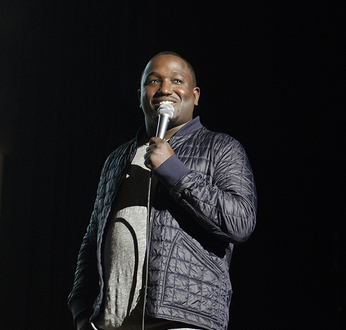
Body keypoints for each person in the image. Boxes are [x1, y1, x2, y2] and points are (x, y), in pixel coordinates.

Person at [68, 51, 257, 330]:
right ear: (141, 94)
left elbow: (240, 221)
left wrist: (174, 170)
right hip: (110, 322)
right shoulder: (117, 159)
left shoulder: (222, 148)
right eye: (154, 81)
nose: (165, 89)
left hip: (182, 319)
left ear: (195, 95)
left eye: (176, 80)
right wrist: (81, 310)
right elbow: (93, 236)